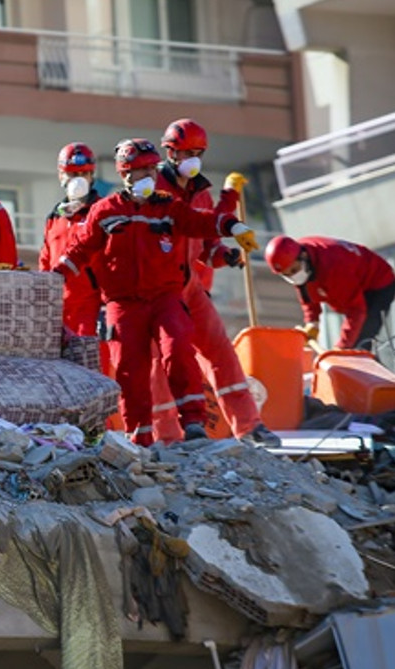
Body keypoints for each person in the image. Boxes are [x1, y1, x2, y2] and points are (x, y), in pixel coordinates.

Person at [55, 139, 254, 447]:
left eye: (151, 167)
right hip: (123, 305)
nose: (149, 174)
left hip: (165, 298)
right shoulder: (105, 211)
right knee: (130, 372)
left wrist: (230, 226)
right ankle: (140, 437)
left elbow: (198, 222)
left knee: (178, 349)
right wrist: (53, 279)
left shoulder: (167, 207)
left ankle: (194, 423)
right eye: (141, 169)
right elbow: (79, 250)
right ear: (125, 173)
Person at [148, 118, 278, 446]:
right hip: (157, 291)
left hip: (190, 288)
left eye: (198, 152)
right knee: (161, 366)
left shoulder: (201, 193)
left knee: (221, 352)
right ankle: (167, 435)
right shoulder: (152, 190)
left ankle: (249, 427)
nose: (192, 158)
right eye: (185, 152)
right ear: (170, 152)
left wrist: (225, 256)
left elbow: (206, 249)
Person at [265, 235, 395, 352]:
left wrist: (342, 347)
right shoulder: (301, 260)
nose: (294, 276)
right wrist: (312, 322)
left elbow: (356, 309)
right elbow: (305, 290)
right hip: (354, 288)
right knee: (356, 347)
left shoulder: (333, 266)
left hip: (377, 285)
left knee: (359, 345)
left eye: (294, 270)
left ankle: (376, 378)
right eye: (287, 275)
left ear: (303, 256)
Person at [38, 143, 103, 337]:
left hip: (92, 307)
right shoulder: (54, 217)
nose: (78, 181)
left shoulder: (102, 212)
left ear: (92, 176)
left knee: (93, 364)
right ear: (61, 175)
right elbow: (45, 261)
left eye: (84, 174)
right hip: (57, 310)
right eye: (72, 174)